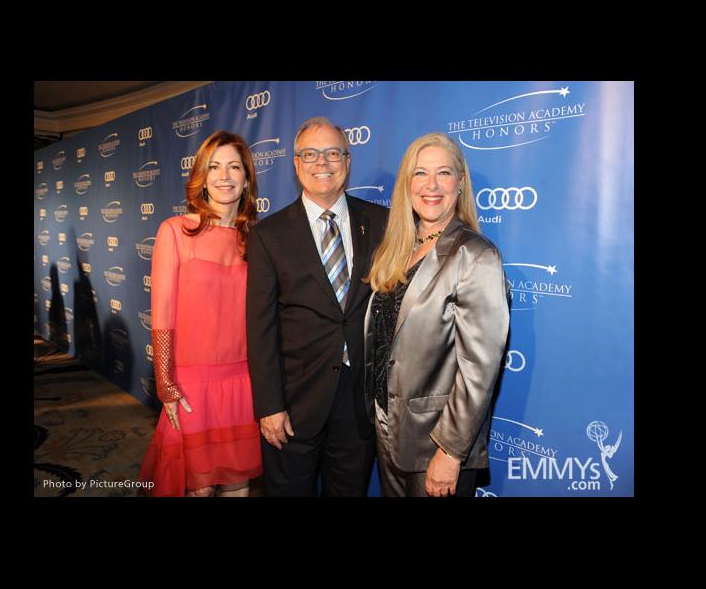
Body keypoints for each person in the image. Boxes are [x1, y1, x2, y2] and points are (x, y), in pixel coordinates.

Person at [246, 117, 388, 496]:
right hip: (293, 403)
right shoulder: (267, 236)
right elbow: (260, 330)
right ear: (295, 163)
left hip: (359, 403)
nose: (321, 162)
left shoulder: (381, 222)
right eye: (309, 153)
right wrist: (269, 406)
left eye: (332, 153)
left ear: (348, 159)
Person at [363, 132, 510, 497]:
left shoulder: (476, 256)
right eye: (420, 174)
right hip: (389, 433)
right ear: (406, 184)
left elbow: (479, 371)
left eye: (443, 173)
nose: (431, 185)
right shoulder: (396, 249)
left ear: (460, 183)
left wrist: (450, 452)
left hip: (438, 443)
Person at [138, 131, 263, 497]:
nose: (224, 176)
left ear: (246, 179)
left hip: (244, 380)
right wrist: (166, 383)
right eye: (214, 167)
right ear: (201, 177)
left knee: (239, 483)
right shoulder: (176, 232)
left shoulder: (257, 239)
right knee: (198, 488)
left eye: (234, 167)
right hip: (191, 384)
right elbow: (161, 313)